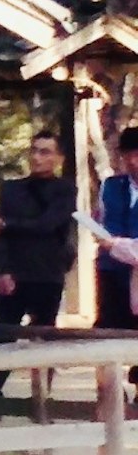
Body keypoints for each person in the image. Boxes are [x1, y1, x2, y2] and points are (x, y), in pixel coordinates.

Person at [0, 130, 80, 417]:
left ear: (58, 158)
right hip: (15, 274)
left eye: (46, 151)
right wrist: (3, 271)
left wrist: (8, 224)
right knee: (3, 334)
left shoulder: (65, 191)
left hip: (47, 275)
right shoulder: (10, 189)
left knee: (44, 336)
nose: (38, 157)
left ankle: (42, 401)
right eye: (34, 150)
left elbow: (48, 224)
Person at [98, 128, 138, 332]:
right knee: (110, 332)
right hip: (112, 272)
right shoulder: (111, 186)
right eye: (128, 155)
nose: (133, 161)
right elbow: (104, 219)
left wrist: (119, 245)